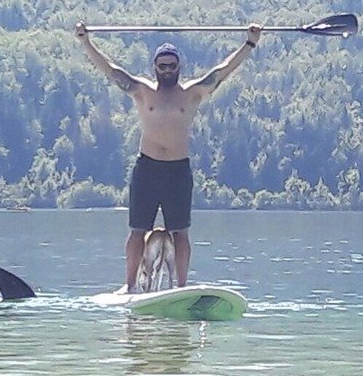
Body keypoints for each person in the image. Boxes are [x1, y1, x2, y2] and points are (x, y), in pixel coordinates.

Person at [75, 21, 262, 291]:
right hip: (147, 169)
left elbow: (222, 72)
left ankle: (181, 287)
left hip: (177, 171)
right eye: (162, 66)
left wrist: (250, 43)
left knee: (180, 233)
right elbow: (111, 71)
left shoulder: (192, 94)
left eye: (171, 66)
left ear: (179, 67)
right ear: (155, 67)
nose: (167, 71)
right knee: (137, 230)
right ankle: (129, 286)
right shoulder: (143, 91)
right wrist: (85, 42)